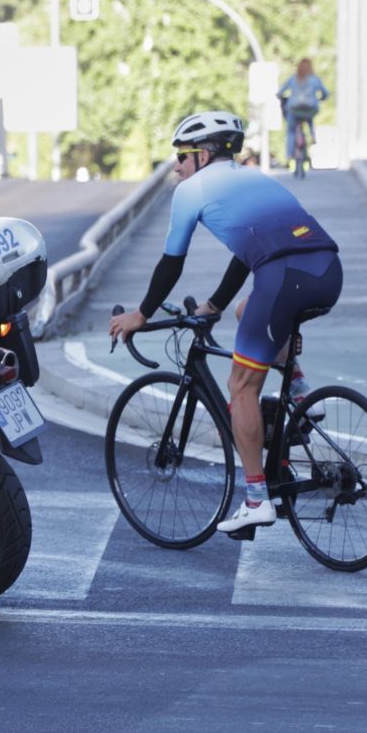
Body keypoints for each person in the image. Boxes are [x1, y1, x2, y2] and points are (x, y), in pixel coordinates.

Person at [109, 111, 342, 535]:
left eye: (182, 156)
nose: (177, 166)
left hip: (283, 280)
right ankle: (301, 389)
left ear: (203, 155)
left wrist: (141, 315)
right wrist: (215, 304)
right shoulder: (255, 179)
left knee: (241, 387)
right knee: (243, 311)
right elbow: (245, 255)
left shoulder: (191, 191)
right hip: (327, 272)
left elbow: (170, 264)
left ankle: (256, 499)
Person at [276, 58, 328, 176]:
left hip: (294, 109)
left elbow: (280, 92)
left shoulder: (293, 79)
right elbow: (325, 93)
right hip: (310, 109)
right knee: (309, 119)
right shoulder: (315, 80)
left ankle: (290, 154)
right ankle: (312, 135)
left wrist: (282, 97)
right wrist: (321, 98)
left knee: (291, 132)